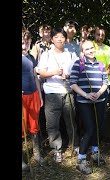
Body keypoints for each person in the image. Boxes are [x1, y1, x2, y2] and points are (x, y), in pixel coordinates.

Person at [38, 27, 79, 163]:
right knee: (52, 124)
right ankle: (56, 149)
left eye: (62, 36)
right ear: (52, 39)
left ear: (65, 39)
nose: (60, 39)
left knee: (71, 120)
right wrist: (54, 72)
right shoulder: (46, 54)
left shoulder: (70, 54)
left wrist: (68, 75)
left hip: (68, 92)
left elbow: (77, 72)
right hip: (51, 93)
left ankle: (75, 146)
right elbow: (42, 73)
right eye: (56, 37)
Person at [70, 40, 108, 174]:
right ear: (83, 51)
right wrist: (86, 95)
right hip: (84, 102)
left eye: (92, 48)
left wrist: (98, 93)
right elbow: (73, 83)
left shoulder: (101, 65)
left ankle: (95, 151)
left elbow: (105, 83)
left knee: (98, 126)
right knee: (90, 128)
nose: (90, 51)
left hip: (99, 100)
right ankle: (81, 158)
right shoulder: (78, 64)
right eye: (87, 49)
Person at [22, 28, 46, 171]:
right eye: (21, 43)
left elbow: (35, 76)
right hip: (22, 97)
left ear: (30, 41)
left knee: (34, 126)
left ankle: (37, 155)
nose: (24, 46)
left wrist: (40, 95)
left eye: (26, 42)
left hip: (33, 95)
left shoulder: (31, 57)